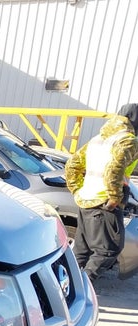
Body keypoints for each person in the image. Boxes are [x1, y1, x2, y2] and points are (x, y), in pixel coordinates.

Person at [66, 103, 138, 281]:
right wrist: (114, 197)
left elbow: (72, 165)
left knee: (81, 252)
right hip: (105, 204)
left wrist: (77, 191)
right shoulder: (128, 140)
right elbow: (114, 169)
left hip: (87, 201)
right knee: (108, 250)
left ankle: (64, 290)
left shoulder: (98, 138)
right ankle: (82, 289)